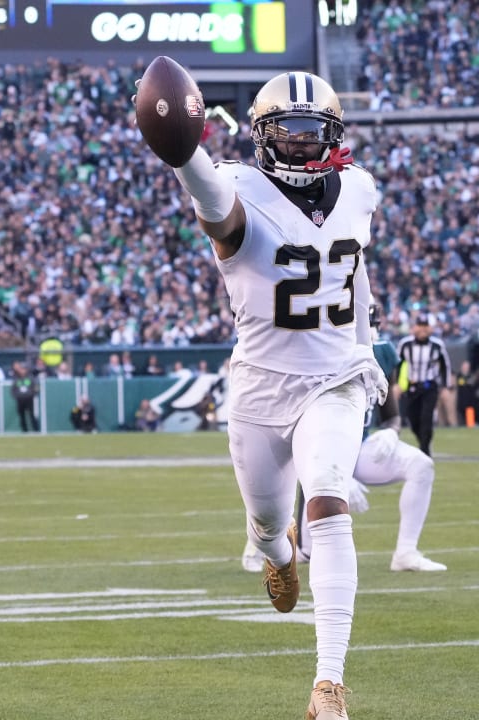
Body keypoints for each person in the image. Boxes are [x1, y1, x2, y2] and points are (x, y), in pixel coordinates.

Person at [136, 66, 385, 720]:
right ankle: (279, 555)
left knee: (327, 498)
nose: (302, 144)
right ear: (261, 135)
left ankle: (328, 685)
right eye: (289, 131)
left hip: (334, 379)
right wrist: (184, 151)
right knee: (271, 529)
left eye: (313, 131)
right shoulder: (235, 182)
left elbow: (354, 281)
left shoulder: (359, 189)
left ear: (334, 133)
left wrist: (368, 343)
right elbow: (220, 211)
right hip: (259, 387)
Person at [250, 305, 446, 574]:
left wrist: (390, 432)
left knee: (421, 465)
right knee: (303, 548)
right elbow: (300, 425)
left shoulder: (382, 352)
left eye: (373, 321)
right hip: (320, 451)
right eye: (367, 321)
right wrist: (336, 472)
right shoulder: (320, 353)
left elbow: (390, 414)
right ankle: (263, 542)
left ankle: (406, 552)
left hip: (360, 447)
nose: (372, 329)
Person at [397, 314, 450, 456]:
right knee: (413, 419)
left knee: (426, 418)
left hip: (429, 386)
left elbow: (445, 366)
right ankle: (424, 443)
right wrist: (395, 384)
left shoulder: (437, 345)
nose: (423, 329)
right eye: (420, 326)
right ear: (414, 327)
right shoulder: (405, 345)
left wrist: (445, 386)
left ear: (430, 328)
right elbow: (397, 364)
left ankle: (425, 452)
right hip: (412, 386)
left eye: (425, 326)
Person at [11, 362, 39, 432]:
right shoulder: (16, 378)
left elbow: (35, 388)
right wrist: (17, 396)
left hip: (29, 399)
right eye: (21, 369)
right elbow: (13, 389)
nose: (22, 371)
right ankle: (24, 430)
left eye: (24, 369)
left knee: (32, 415)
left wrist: (32, 394)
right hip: (20, 400)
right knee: (22, 415)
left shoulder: (30, 378)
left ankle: (36, 430)